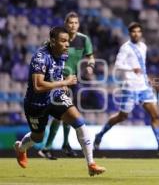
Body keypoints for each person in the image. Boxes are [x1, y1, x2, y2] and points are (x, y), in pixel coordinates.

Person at [14, 26, 105, 176]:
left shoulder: (63, 54)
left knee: (79, 122)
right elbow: (37, 86)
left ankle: (91, 164)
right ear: (53, 41)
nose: (67, 44)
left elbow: (55, 73)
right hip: (36, 103)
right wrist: (64, 83)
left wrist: (60, 83)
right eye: (63, 41)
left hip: (55, 96)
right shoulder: (40, 57)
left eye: (68, 41)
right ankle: (20, 148)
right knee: (38, 137)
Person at [94, 22, 159, 157]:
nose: (136, 34)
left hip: (144, 87)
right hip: (130, 87)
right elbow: (118, 65)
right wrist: (131, 69)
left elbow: (141, 66)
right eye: (133, 32)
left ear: (141, 33)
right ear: (129, 33)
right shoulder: (125, 48)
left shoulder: (143, 46)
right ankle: (100, 134)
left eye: (138, 31)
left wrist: (146, 77)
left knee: (155, 115)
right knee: (122, 116)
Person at [38, 12, 95, 160]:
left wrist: (90, 66)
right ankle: (47, 147)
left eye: (76, 23)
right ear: (65, 24)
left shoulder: (84, 39)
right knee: (60, 115)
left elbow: (91, 57)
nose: (73, 25)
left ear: (79, 24)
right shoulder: (59, 39)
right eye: (70, 23)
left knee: (68, 113)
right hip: (56, 79)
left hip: (72, 80)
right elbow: (44, 54)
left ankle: (64, 144)